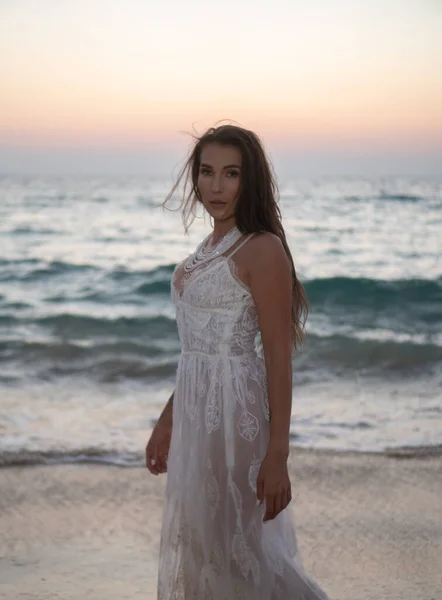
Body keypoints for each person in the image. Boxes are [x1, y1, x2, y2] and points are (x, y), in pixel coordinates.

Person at [145, 124, 329, 599]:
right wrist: (167, 421)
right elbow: (196, 350)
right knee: (205, 550)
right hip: (194, 421)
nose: (216, 186)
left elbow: (277, 358)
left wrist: (278, 453)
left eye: (231, 174)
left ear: (250, 181)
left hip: (237, 419)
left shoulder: (261, 249)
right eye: (206, 173)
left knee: (247, 553)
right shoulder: (201, 254)